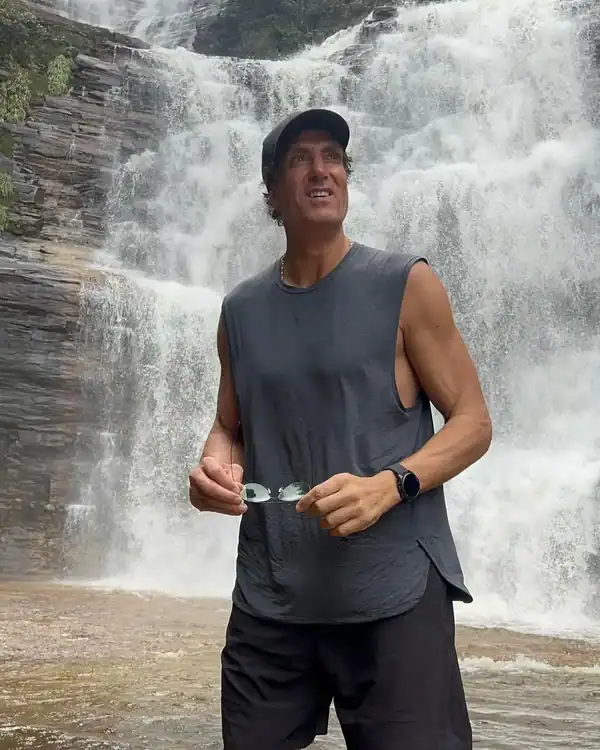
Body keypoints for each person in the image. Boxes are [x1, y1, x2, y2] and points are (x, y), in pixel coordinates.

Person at [188, 108, 492, 750]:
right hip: (271, 598)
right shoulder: (239, 309)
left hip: (392, 595)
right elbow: (228, 425)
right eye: (299, 160)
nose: (320, 170)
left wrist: (391, 485)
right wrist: (215, 468)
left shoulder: (406, 283)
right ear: (272, 193)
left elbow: (473, 422)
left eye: (332, 156)